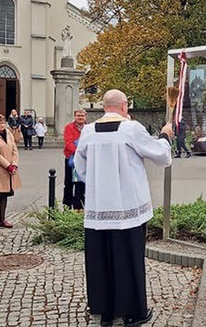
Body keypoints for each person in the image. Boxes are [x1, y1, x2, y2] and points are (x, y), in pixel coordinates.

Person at [74, 89, 173, 327]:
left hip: (99, 210)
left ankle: (105, 311)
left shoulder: (88, 131)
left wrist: (100, 184)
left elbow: (80, 166)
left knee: (101, 259)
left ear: (104, 106)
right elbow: (161, 156)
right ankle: (133, 313)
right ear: (124, 106)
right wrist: (165, 135)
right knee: (128, 259)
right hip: (128, 208)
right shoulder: (132, 128)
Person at [63, 109, 87, 209]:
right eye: (78, 115)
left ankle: (79, 206)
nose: (80, 117)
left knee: (81, 183)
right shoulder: (69, 127)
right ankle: (67, 205)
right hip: (71, 159)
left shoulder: (88, 128)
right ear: (74, 116)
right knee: (69, 183)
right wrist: (79, 152)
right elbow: (68, 142)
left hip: (83, 159)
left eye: (82, 116)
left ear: (85, 117)